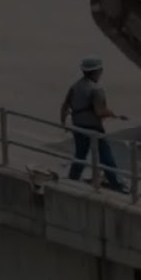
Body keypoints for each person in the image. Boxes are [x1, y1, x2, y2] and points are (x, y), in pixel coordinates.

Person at [59, 56, 127, 193]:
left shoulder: (75, 86)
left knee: (80, 155)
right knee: (105, 155)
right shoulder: (96, 89)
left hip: (78, 126)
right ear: (97, 71)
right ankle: (116, 184)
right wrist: (112, 114)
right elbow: (99, 110)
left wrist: (63, 123)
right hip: (94, 128)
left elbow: (65, 106)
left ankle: (73, 178)